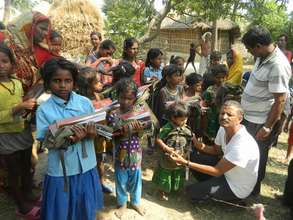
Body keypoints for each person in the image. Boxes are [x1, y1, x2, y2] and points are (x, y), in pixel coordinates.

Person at [36, 58, 103, 220]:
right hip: (61, 170)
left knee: (84, 209)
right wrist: (70, 139)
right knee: (61, 211)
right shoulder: (44, 110)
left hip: (87, 166)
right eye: (57, 81)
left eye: (68, 81)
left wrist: (92, 134)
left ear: (74, 82)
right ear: (48, 83)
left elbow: (95, 130)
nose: (63, 85)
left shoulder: (85, 103)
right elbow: (45, 141)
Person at [170, 100, 260, 202]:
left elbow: (217, 171)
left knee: (191, 192)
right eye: (222, 113)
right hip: (226, 173)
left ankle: (233, 199)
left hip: (236, 187)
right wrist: (196, 143)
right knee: (193, 156)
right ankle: (209, 186)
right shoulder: (223, 128)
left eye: (229, 115)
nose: (224, 117)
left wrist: (185, 163)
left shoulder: (243, 144)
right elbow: (215, 150)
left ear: (239, 119)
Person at [241, 25, 291, 195]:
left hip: (261, 121)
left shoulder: (278, 65)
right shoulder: (261, 57)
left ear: (258, 46)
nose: (249, 53)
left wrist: (268, 126)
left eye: (249, 49)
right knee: (247, 154)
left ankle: (252, 193)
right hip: (249, 117)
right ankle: (244, 187)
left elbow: (280, 100)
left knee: (257, 157)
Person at [0, 43, 39, 219]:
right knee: (13, 173)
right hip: (5, 136)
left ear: (12, 64)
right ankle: (22, 206)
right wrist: (18, 108)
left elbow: (20, 106)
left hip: (22, 131)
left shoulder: (16, 82)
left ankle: (28, 195)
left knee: (26, 167)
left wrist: (28, 107)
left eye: (4, 61)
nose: (1, 65)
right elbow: (14, 109)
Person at [107, 78, 146, 218]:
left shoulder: (140, 112)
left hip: (136, 153)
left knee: (136, 179)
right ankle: (122, 203)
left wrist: (140, 129)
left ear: (135, 98)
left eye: (129, 98)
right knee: (121, 179)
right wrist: (121, 130)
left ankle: (135, 202)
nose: (125, 101)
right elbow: (111, 133)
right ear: (117, 96)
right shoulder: (113, 114)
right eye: (122, 97)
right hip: (120, 153)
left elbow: (143, 133)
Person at [0, 11, 55, 92]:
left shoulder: (32, 49)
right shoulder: (3, 37)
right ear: (28, 26)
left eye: (47, 30)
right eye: (42, 29)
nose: (46, 33)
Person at [152, 101, 192, 200]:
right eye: (182, 119)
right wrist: (166, 148)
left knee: (177, 173)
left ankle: (175, 189)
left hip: (180, 157)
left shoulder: (186, 129)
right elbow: (158, 139)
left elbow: (189, 142)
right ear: (173, 118)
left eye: (186, 119)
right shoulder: (167, 128)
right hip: (167, 157)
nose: (185, 121)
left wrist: (186, 154)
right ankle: (162, 191)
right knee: (165, 173)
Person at [202, 64, 228, 145]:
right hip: (212, 116)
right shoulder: (210, 90)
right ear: (213, 77)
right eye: (218, 77)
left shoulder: (228, 89)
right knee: (210, 136)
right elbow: (205, 104)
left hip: (224, 116)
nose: (220, 80)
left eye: (223, 77)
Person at [184, 73, 203, 137]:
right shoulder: (185, 96)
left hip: (197, 123)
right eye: (197, 85)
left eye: (201, 85)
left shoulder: (199, 95)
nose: (200, 87)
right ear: (190, 85)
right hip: (188, 122)